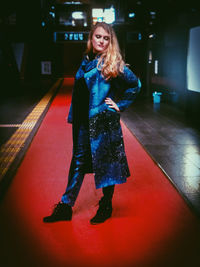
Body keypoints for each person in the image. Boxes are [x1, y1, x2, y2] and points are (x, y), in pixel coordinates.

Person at [43, 22, 141, 225]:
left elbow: (135, 84)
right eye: (98, 37)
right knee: (78, 160)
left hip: (102, 120)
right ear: (91, 38)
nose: (102, 41)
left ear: (110, 41)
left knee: (106, 162)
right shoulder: (86, 60)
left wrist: (119, 105)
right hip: (82, 120)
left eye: (106, 38)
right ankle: (65, 206)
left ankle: (106, 205)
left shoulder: (112, 62)